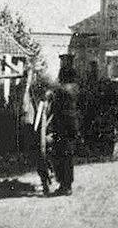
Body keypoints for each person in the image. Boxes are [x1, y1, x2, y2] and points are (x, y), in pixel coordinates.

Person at [47, 59, 81, 197]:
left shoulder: (61, 91)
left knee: (60, 155)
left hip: (62, 126)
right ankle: (67, 185)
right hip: (73, 125)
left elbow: (54, 109)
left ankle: (64, 186)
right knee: (68, 156)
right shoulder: (75, 88)